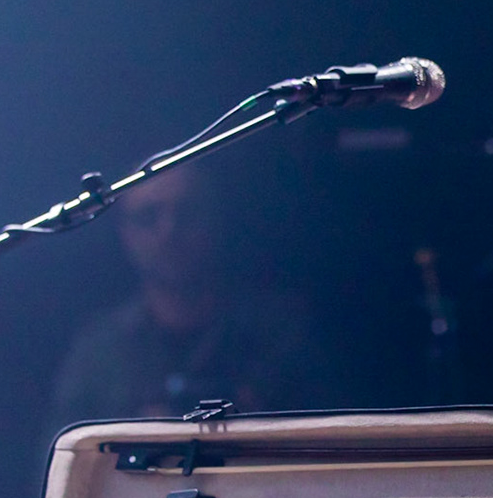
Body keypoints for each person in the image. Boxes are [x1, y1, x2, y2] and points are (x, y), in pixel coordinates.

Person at [50, 163, 335, 426]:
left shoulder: (280, 332)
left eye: (186, 212)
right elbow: (62, 464)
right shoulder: (98, 350)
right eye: (149, 217)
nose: (169, 230)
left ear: (215, 218)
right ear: (125, 232)